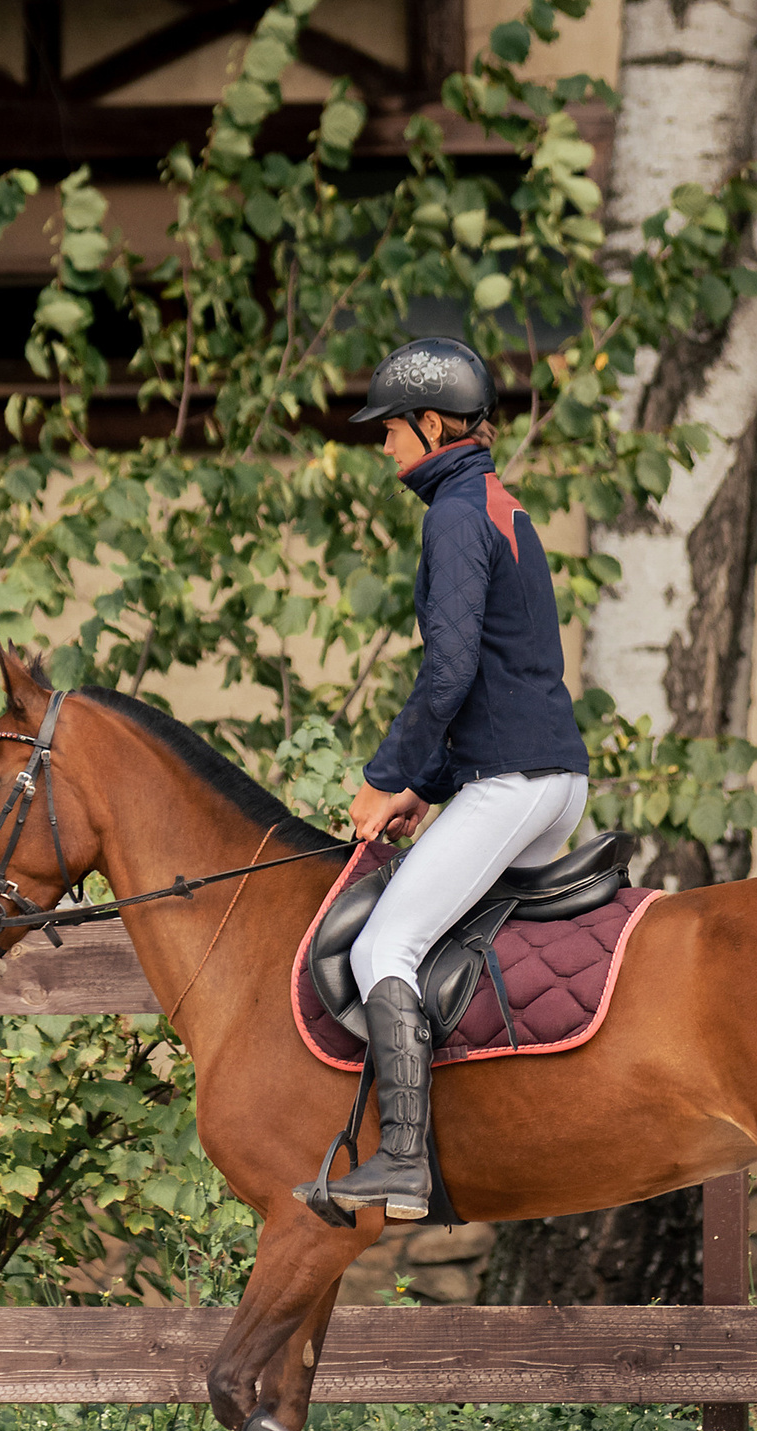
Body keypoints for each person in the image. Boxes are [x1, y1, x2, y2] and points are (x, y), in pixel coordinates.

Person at [323, 336, 592, 1220]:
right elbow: (488, 680)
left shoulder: (452, 515)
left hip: (513, 783)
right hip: (550, 777)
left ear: (432, 423)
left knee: (381, 947)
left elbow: (448, 673)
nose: (384, 445)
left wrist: (383, 775)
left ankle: (404, 1161)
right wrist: (425, 789)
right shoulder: (492, 501)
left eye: (392, 428)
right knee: (445, 935)